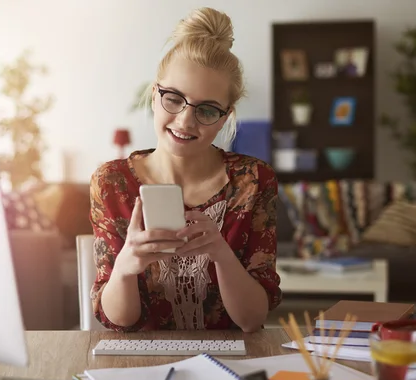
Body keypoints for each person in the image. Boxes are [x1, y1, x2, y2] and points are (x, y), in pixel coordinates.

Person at [89, 7, 282, 333]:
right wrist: (125, 266)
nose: (185, 121)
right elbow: (120, 320)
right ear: (154, 95)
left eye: (207, 109)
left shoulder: (254, 181)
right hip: (140, 367)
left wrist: (221, 253)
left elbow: (252, 320)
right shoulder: (111, 182)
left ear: (225, 117)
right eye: (174, 99)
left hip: (232, 366)